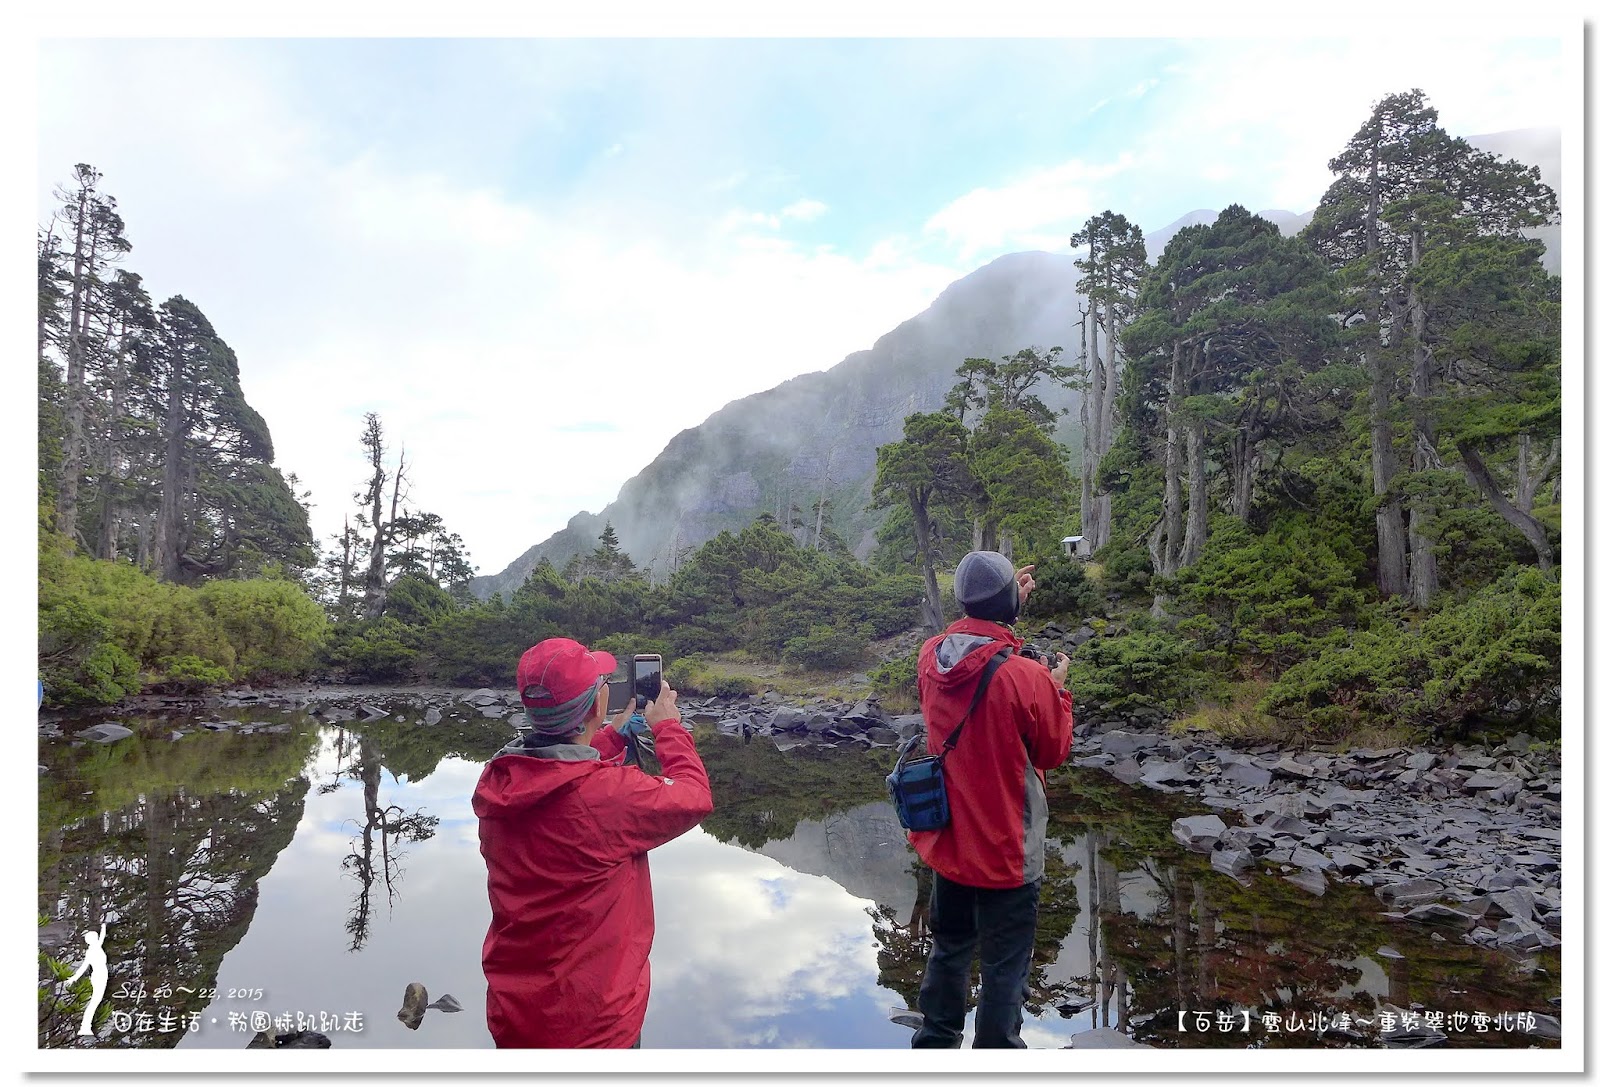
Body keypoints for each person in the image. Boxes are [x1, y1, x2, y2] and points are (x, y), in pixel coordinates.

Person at [473, 637, 713, 1048]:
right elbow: (694, 796)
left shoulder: (500, 780)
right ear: (597, 704)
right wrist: (669, 728)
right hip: (595, 1028)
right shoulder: (607, 796)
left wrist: (612, 736)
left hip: (517, 1015)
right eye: (603, 683)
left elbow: (557, 770)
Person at [908, 550, 1074, 1049]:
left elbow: (975, 650)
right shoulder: (1027, 677)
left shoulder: (931, 656)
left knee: (950, 948)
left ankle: (934, 1048)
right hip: (1008, 851)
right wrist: (1057, 690)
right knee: (1005, 965)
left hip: (950, 843)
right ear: (1005, 605)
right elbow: (1052, 751)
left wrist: (1005, 608)